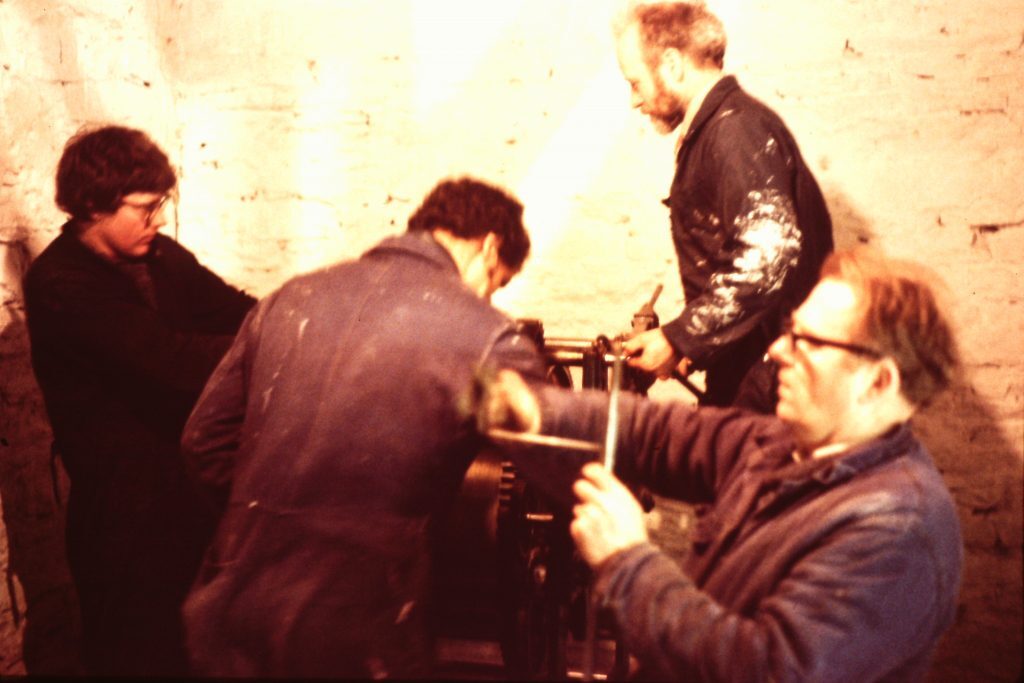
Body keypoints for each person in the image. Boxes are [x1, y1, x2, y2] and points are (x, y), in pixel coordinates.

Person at [480, 248, 963, 681]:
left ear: (878, 382)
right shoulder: (783, 445)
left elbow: (766, 670)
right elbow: (653, 433)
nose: (777, 351)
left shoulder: (896, 531)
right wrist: (526, 406)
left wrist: (626, 561)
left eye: (807, 341)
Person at [179, 177, 550, 678]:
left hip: (232, 603)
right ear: (489, 247)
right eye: (498, 281)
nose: (490, 295)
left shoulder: (288, 298)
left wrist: (272, 518)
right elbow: (556, 462)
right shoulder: (483, 332)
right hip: (358, 623)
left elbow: (202, 439)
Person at [23, 125, 256, 676]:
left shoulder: (160, 256)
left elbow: (237, 311)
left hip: (187, 498)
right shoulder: (62, 284)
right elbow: (170, 361)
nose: (158, 221)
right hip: (123, 521)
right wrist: (272, 347)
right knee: (136, 657)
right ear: (91, 206)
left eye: (162, 205)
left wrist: (298, 321)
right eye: (145, 209)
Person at [614, 1, 834, 411]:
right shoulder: (723, 127)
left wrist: (680, 337)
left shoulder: (734, 130)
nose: (634, 101)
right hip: (759, 374)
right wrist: (692, 347)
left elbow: (768, 256)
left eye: (635, 82)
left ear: (673, 64)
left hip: (776, 385)